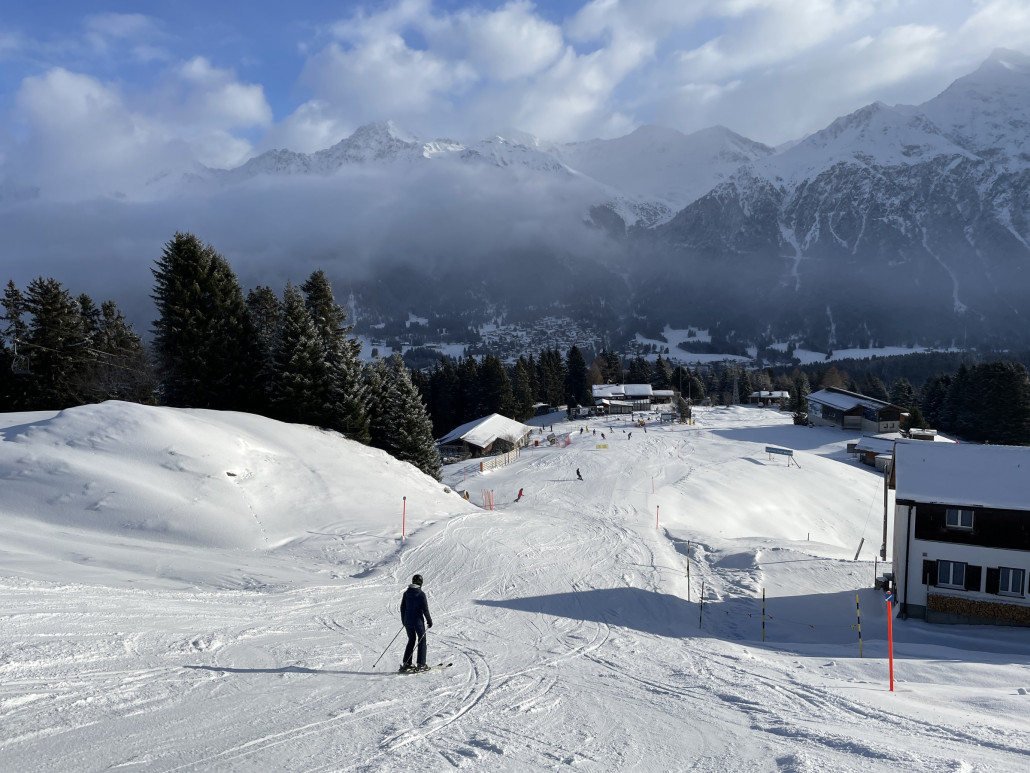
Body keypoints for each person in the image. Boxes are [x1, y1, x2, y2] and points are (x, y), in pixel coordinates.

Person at [399, 574, 433, 672]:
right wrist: (429, 621)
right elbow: (425, 610)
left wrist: (404, 620)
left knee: (411, 639)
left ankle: (406, 663)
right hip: (418, 622)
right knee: (422, 640)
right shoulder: (421, 594)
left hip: (407, 621)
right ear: (421, 583)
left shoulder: (406, 593)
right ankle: (421, 664)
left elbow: (402, 608)